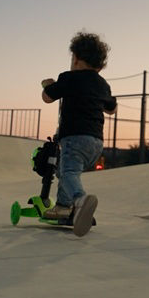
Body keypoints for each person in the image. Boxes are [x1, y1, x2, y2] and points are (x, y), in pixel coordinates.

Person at [40, 31, 117, 236]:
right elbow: (111, 109)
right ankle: (63, 207)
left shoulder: (69, 78)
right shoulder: (103, 84)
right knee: (65, 172)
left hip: (74, 138)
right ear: (100, 65)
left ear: (75, 58)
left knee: (67, 173)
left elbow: (47, 98)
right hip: (96, 143)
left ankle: (80, 200)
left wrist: (48, 85)